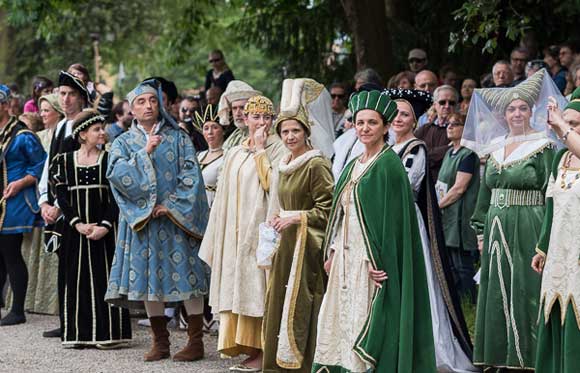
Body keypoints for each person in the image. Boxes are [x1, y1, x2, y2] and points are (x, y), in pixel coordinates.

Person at [313, 90, 436, 372]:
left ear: (385, 126)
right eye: (360, 123)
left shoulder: (389, 165)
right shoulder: (353, 165)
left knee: (363, 321)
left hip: (369, 262)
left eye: (372, 123)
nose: (365, 128)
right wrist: (332, 251)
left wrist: (378, 260)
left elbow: (393, 222)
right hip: (345, 257)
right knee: (339, 318)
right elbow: (342, 214)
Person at [105, 80, 210, 362]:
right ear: (131, 108)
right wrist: (145, 153)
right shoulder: (123, 142)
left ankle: (196, 341)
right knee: (148, 280)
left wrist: (171, 206)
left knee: (189, 277)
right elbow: (115, 176)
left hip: (177, 221)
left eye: (153, 100)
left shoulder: (178, 138)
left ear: (161, 104)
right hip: (143, 222)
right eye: (141, 102)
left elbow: (192, 177)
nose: (148, 106)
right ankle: (160, 342)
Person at [464, 69, 561, 371]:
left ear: (532, 111)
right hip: (496, 224)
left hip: (530, 221)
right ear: (502, 115)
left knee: (527, 288)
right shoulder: (495, 148)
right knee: (498, 287)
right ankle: (499, 356)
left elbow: (551, 191)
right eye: (511, 108)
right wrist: (480, 231)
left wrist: (548, 236)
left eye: (522, 107)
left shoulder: (543, 146)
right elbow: (484, 193)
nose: (517, 113)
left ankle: (530, 357)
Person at [388, 89, 476, 372]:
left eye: (405, 115)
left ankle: (421, 346)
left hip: (406, 221)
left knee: (415, 280)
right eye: (396, 114)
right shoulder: (387, 148)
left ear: (414, 121)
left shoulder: (416, 149)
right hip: (386, 220)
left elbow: (407, 186)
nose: (399, 119)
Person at [199, 95, 286, 371]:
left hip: (259, 231)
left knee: (259, 287)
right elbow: (224, 195)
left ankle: (264, 349)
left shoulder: (279, 149)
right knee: (238, 285)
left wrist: (261, 151)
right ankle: (246, 345)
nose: (261, 122)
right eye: (256, 117)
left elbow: (275, 186)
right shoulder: (235, 151)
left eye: (266, 117)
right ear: (245, 119)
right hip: (234, 232)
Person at [50, 109, 131, 347]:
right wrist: (78, 224)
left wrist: (105, 226)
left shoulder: (109, 160)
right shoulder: (64, 162)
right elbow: (62, 197)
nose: (102, 133)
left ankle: (108, 334)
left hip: (103, 232)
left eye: (102, 128)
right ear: (82, 134)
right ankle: (78, 334)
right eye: (96, 129)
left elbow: (117, 198)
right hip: (76, 231)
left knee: (104, 278)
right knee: (75, 280)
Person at [262, 104, 334, 372]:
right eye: (285, 131)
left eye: (295, 131)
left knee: (302, 300)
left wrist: (295, 217)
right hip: (288, 240)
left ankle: (304, 363)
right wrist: (278, 218)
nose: (290, 136)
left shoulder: (316, 163)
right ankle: (278, 363)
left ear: (306, 132)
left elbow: (327, 209)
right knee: (280, 297)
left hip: (307, 242)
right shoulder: (285, 163)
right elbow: (285, 202)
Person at [531, 87, 580, 373]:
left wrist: (561, 126)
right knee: (555, 309)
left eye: (576, 124)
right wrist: (542, 247)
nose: (568, 128)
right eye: (568, 121)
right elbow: (551, 208)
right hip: (559, 255)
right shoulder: (559, 160)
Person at [39, 71, 90, 339]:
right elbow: (51, 167)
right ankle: (67, 321)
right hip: (57, 206)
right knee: (64, 264)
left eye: (71, 94)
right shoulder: (59, 126)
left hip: (79, 206)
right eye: (62, 93)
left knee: (80, 266)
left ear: (81, 97)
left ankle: (83, 323)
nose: (66, 99)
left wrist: (60, 204)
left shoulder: (87, 125)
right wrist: (44, 201)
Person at [0, 84, 46, 326]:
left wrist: (21, 183)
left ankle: (17, 310)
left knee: (10, 252)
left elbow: (41, 164)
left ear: (6, 105)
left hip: (16, 201)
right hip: (1, 200)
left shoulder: (22, 134)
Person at [17, 94, 64, 316]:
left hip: (60, 202)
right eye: (41, 110)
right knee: (34, 251)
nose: (43, 114)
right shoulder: (38, 137)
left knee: (53, 252)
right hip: (38, 201)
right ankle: (31, 300)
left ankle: (54, 302)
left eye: (47, 110)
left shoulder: (65, 134)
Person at [436, 112, 480, 303]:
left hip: (460, 215)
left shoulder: (468, 155)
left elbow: (459, 187)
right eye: (449, 124)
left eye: (456, 124)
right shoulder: (449, 152)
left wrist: (438, 205)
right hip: (448, 213)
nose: (450, 126)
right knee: (451, 262)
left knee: (463, 263)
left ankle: (470, 301)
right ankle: (458, 300)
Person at [415, 85, 458, 182]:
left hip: (448, 183)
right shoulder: (425, 128)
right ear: (435, 105)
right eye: (442, 102)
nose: (447, 106)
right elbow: (416, 155)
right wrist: (447, 149)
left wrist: (428, 153)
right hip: (423, 182)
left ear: (456, 106)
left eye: (451, 103)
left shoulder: (461, 129)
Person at [218, 80, 262, 151]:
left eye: (242, 108)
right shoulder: (233, 138)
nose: (237, 113)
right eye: (234, 108)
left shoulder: (261, 134)